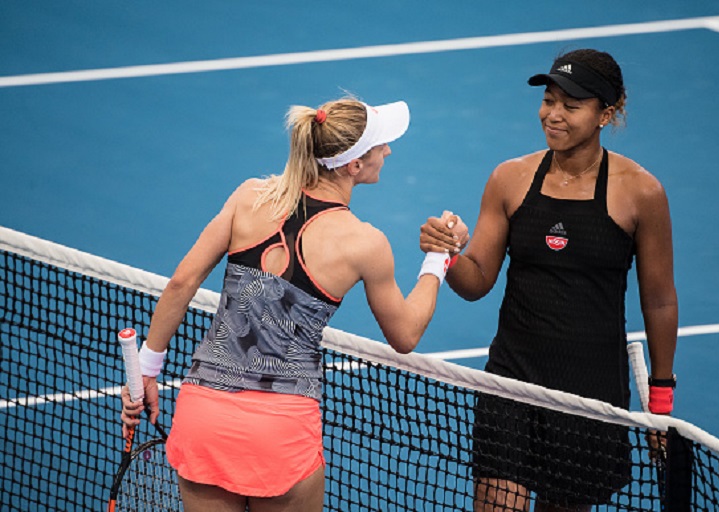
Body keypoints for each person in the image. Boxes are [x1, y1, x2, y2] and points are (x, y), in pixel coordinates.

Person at [120, 96, 469, 512]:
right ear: (353, 165)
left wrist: (145, 370)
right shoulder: (365, 243)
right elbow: (406, 334)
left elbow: (182, 283)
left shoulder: (249, 196)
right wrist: (437, 258)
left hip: (204, 418)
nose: (388, 151)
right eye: (381, 145)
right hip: (279, 431)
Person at [420, 49, 678, 511]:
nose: (553, 115)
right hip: (511, 381)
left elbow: (658, 301)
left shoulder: (641, 192)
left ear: (607, 112)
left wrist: (660, 402)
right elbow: (478, 281)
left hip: (590, 394)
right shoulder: (510, 178)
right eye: (548, 100)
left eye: (571, 106)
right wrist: (449, 256)